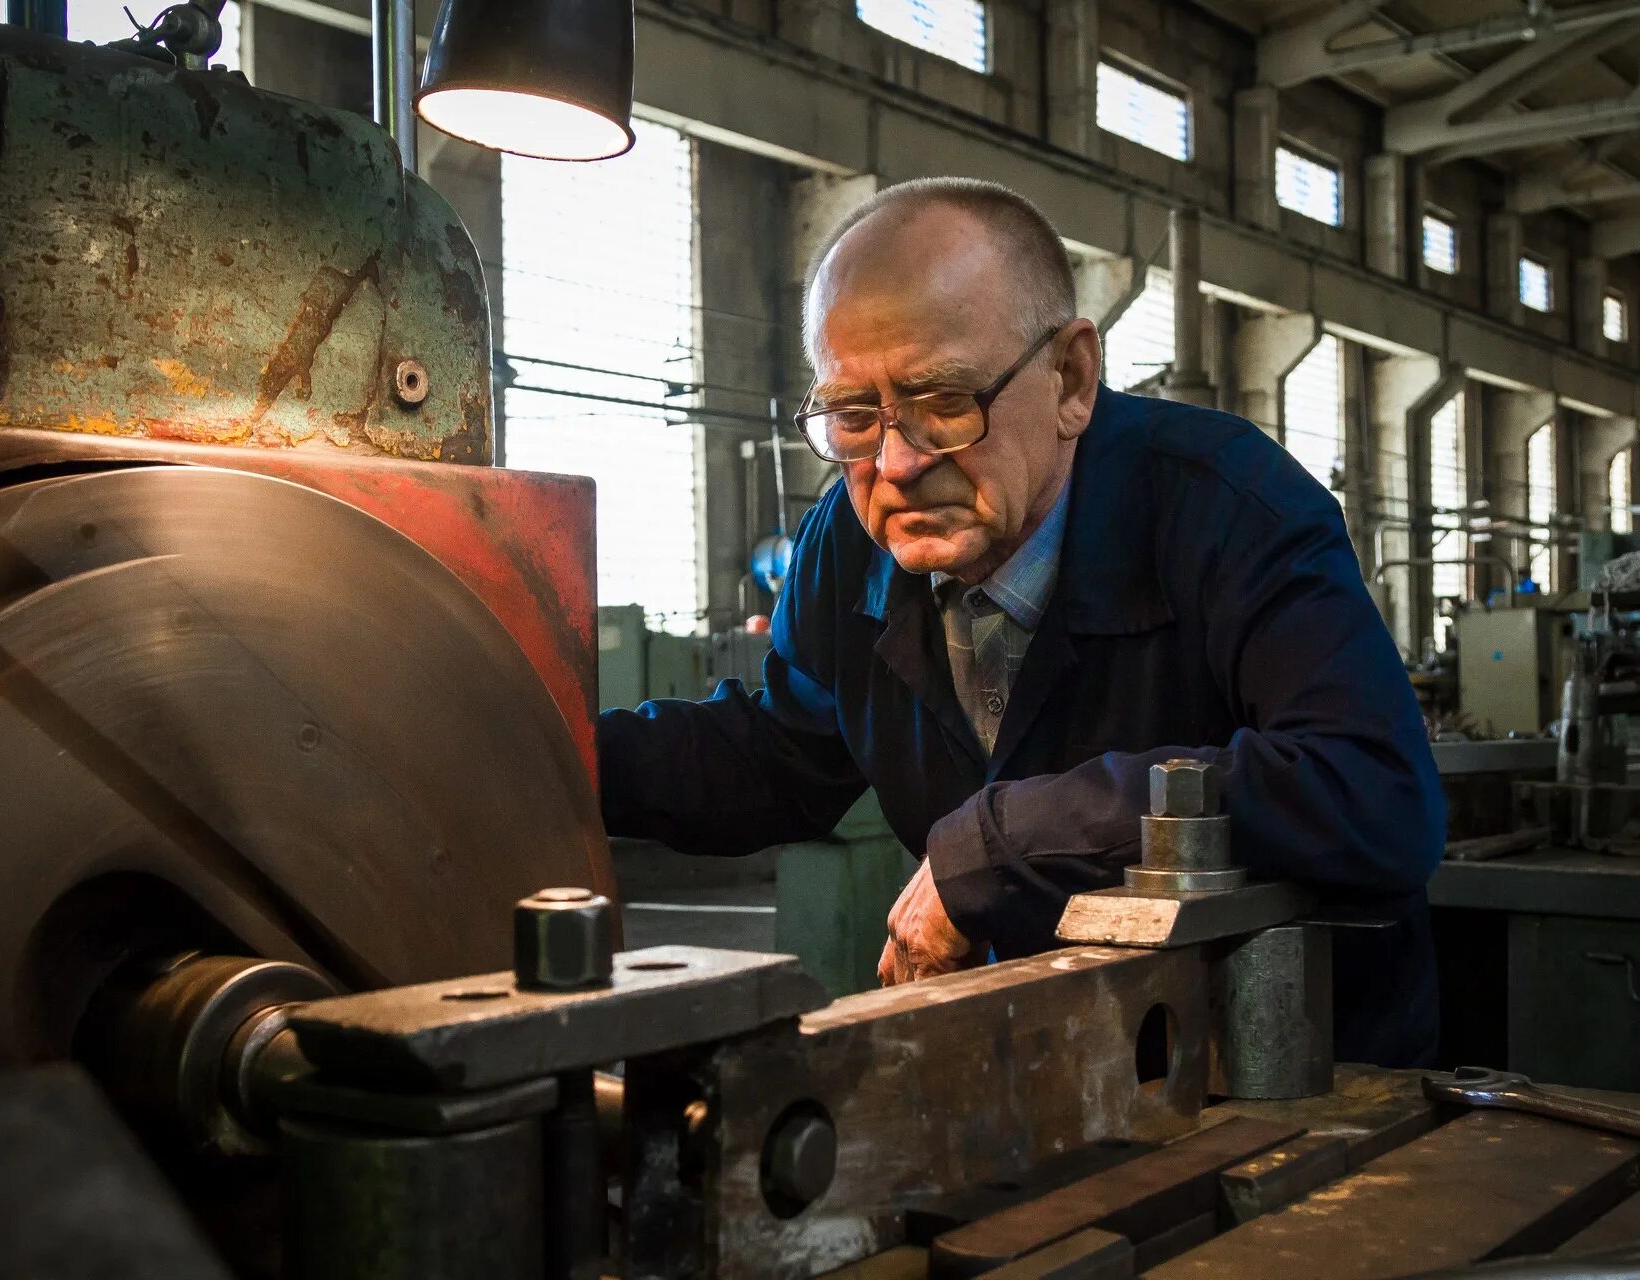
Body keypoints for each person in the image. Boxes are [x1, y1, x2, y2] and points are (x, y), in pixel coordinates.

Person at [598, 178, 1446, 1066]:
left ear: (1071, 380)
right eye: (853, 416)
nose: (895, 464)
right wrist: (551, 756)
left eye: (942, 403)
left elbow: (1376, 791)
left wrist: (1000, 847)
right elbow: (777, 758)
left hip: (1294, 1083)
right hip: (1045, 1068)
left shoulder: (1229, 507)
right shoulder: (845, 548)